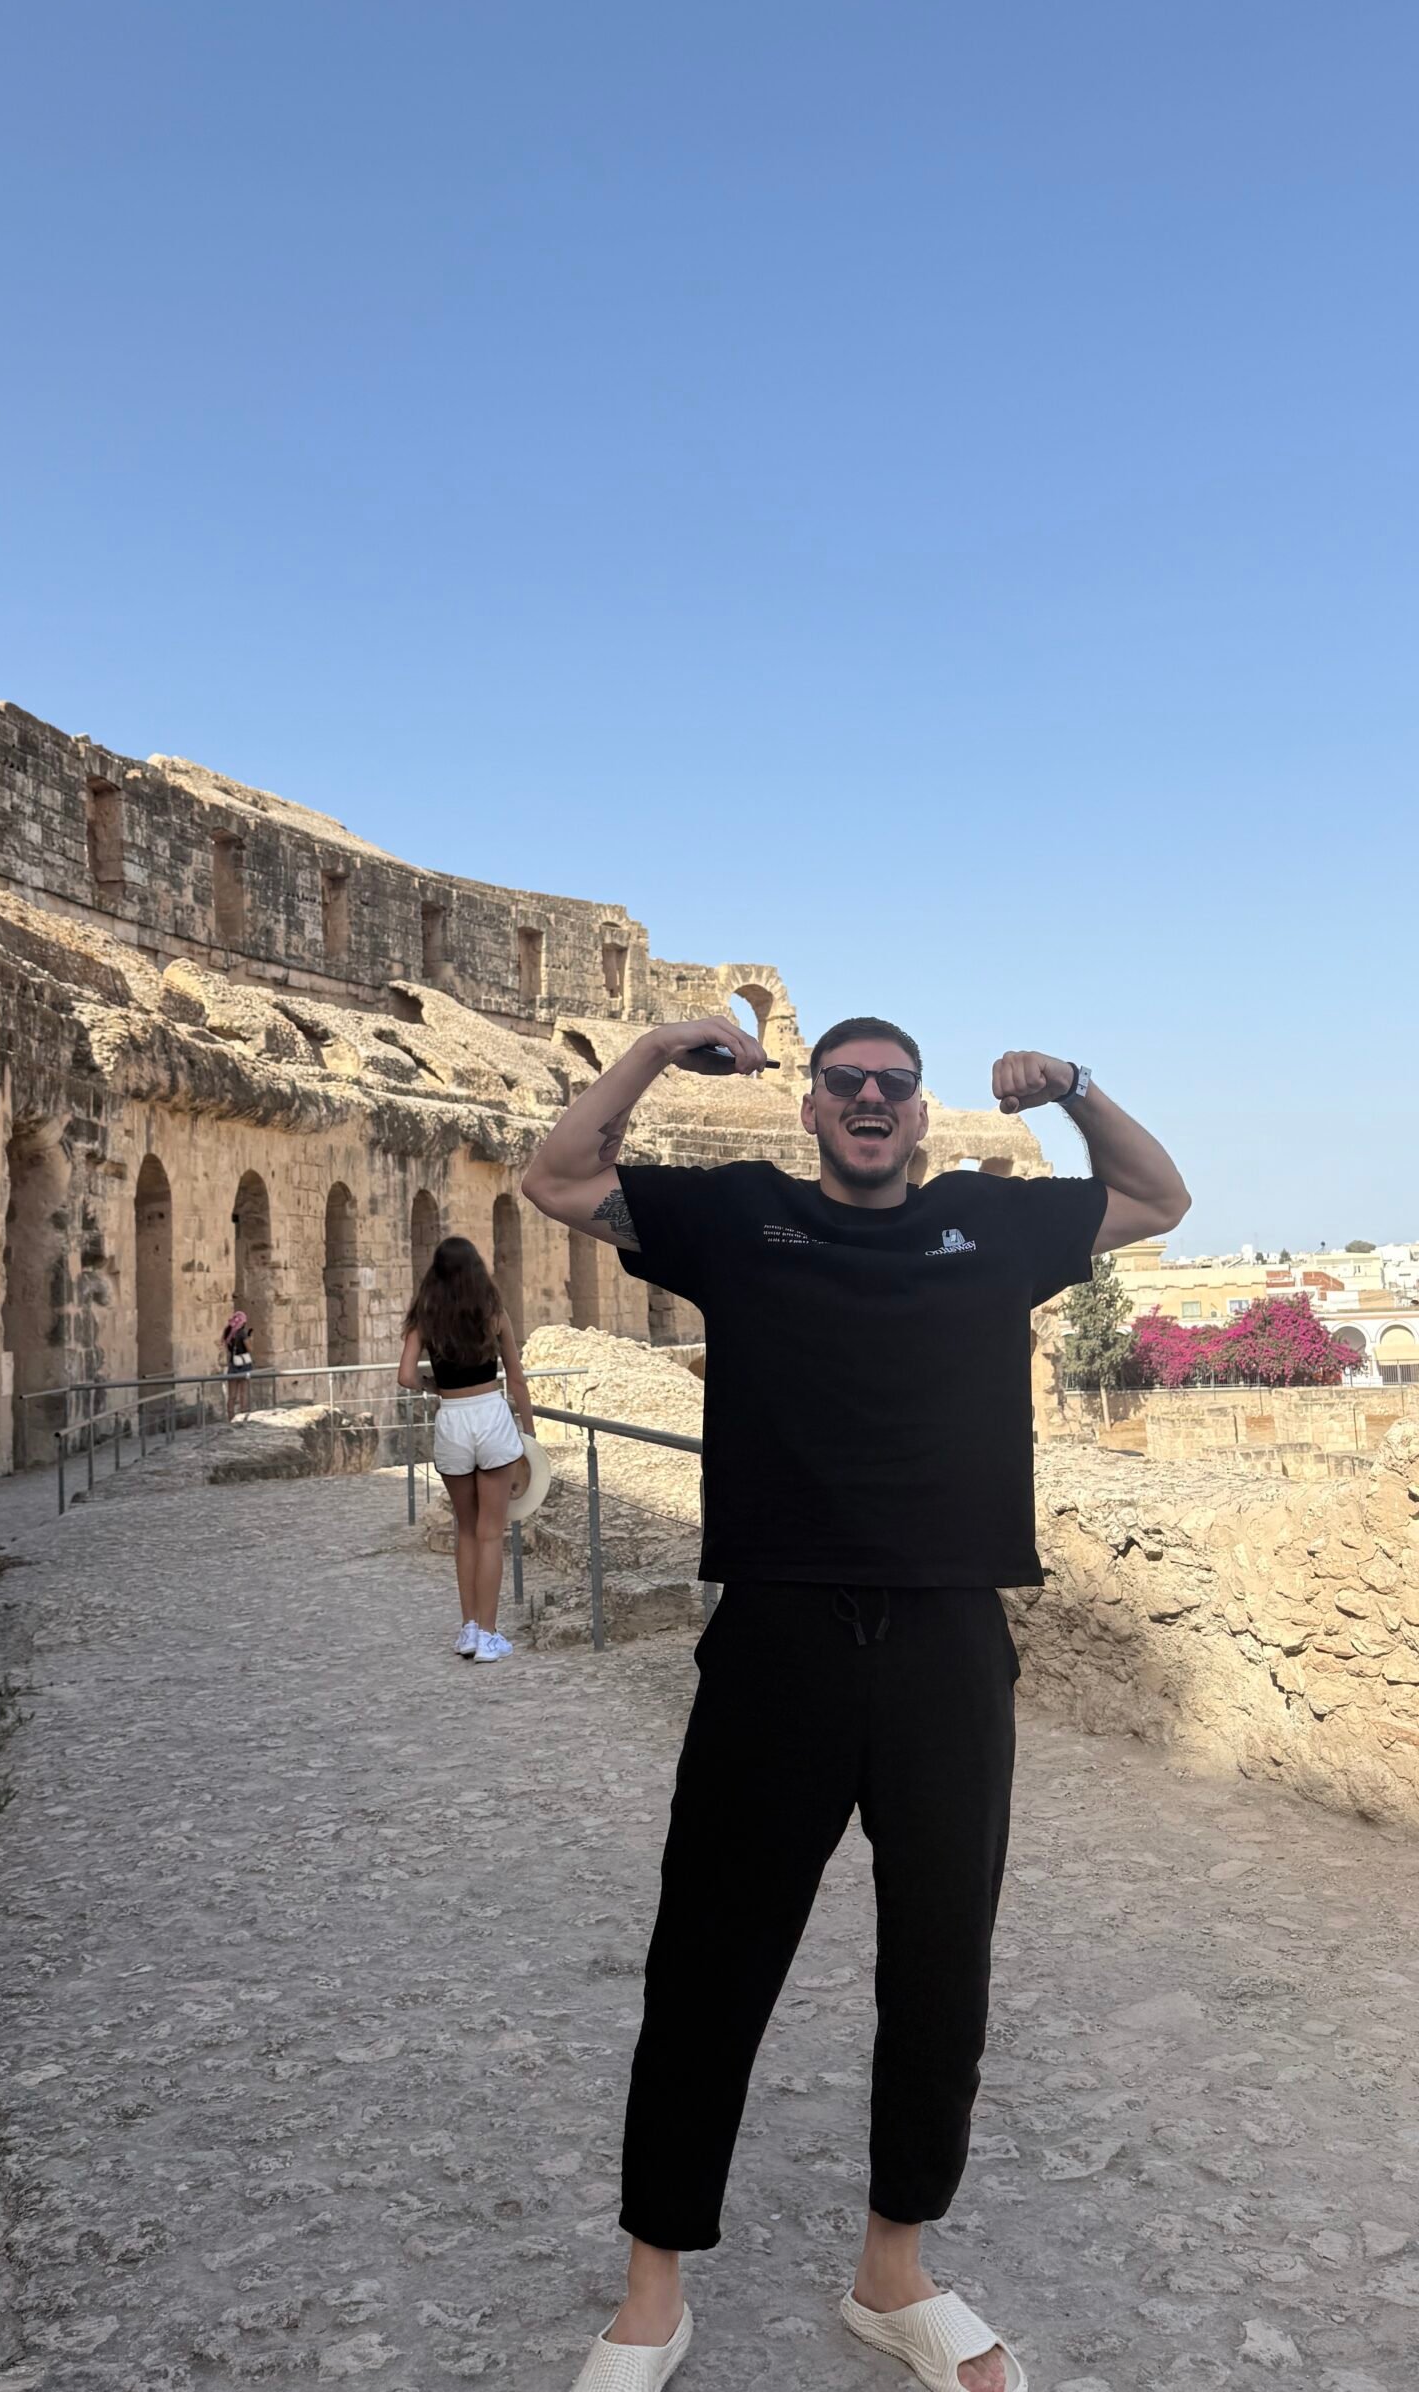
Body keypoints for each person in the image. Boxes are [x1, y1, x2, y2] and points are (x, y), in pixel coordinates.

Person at [523, 1014, 1189, 2392]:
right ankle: (652, 2294)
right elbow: (560, 1177)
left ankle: (895, 2272)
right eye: (846, 1084)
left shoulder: (990, 1225)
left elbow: (1157, 1197)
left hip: (951, 1635)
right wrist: (655, 1049)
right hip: (780, 1633)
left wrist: (1073, 1088)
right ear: (813, 1109)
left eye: (894, 1084)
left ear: (921, 1114)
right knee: (709, 1957)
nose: (871, 1099)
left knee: (942, 1964)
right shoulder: (738, 1217)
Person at [398, 1234, 535, 1666]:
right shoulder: (494, 1314)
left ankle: (469, 1629)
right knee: (492, 1532)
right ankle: (490, 1636)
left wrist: (435, 1386)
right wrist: (529, 1437)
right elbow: (516, 1379)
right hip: (491, 1415)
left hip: (452, 1419)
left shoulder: (425, 1317)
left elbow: (405, 1376)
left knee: (467, 1530)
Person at [221, 1309, 253, 1420]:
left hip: (233, 1364)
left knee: (232, 1395)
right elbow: (249, 1348)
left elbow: (225, 1346)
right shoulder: (242, 1333)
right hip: (244, 1365)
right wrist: (251, 1339)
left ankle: (230, 1417)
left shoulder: (227, 1332)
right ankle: (243, 1417)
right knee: (243, 1393)